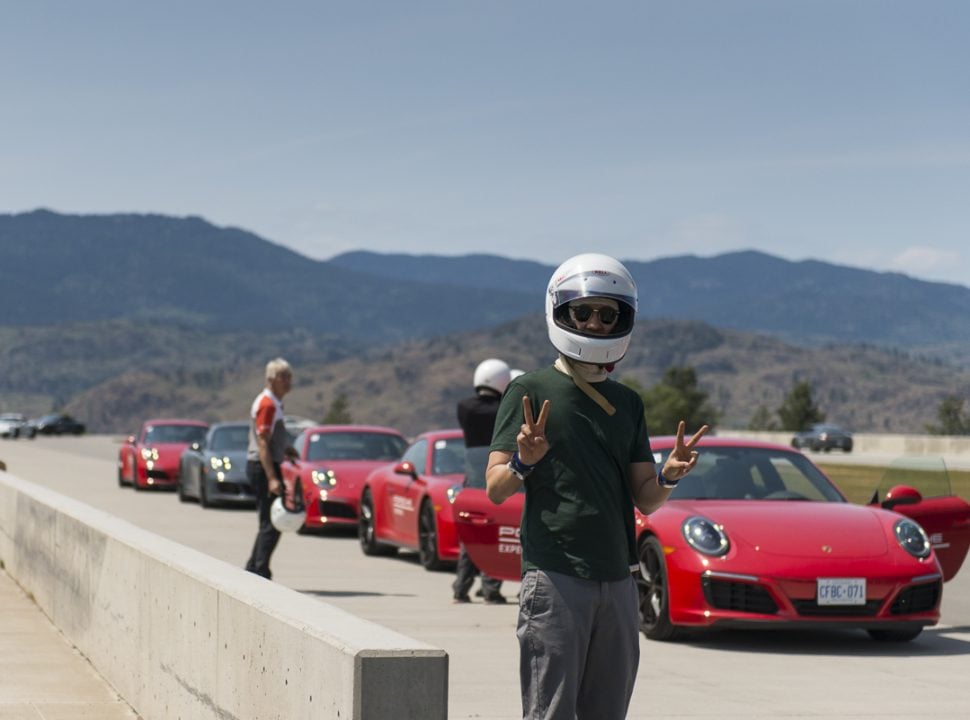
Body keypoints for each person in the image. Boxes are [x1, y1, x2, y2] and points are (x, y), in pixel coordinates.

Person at [485, 253, 708, 720]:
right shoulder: (529, 390)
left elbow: (645, 495)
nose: (596, 323)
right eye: (583, 311)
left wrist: (670, 473)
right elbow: (496, 487)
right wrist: (525, 461)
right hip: (555, 575)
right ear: (560, 312)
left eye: (608, 315)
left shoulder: (627, 403)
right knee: (552, 711)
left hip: (620, 578)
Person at [453, 357, 512, 605]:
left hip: (471, 483)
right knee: (494, 537)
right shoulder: (504, 409)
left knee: (471, 537)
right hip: (495, 479)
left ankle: (460, 588)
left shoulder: (465, 407)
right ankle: (491, 589)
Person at [244, 357, 299, 580]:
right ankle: (260, 570)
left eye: (289, 376)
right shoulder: (267, 404)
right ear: (271, 379)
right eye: (284, 377)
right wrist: (272, 478)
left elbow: (272, 439)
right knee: (272, 523)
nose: (288, 381)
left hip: (267, 464)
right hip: (262, 466)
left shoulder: (274, 403)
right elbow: (263, 442)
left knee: (269, 521)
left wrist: (285, 448)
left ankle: (253, 567)